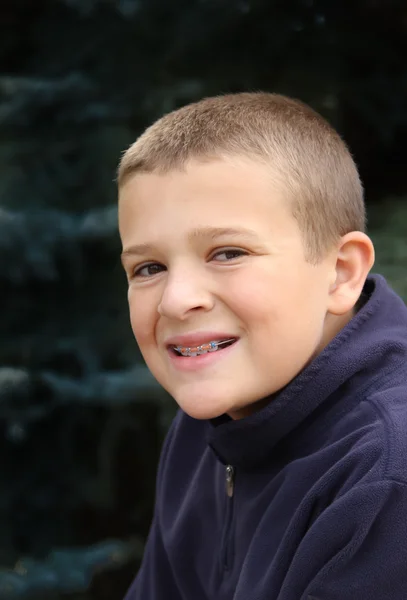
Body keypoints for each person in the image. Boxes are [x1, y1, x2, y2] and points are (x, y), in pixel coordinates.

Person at [117, 92, 407, 599]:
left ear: (341, 273)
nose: (176, 300)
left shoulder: (386, 475)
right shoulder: (206, 425)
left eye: (228, 253)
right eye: (149, 268)